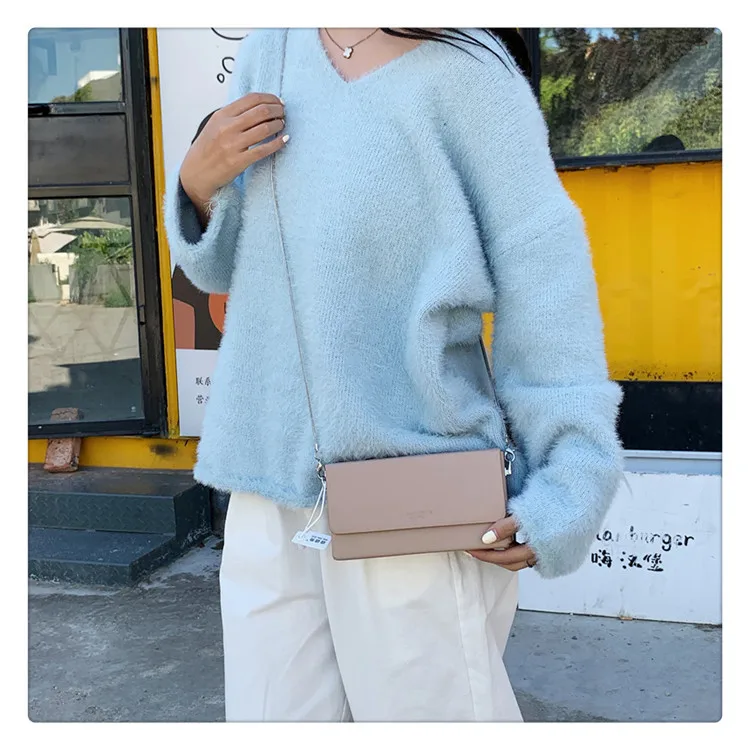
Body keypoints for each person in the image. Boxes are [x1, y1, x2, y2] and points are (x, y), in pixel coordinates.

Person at [164, 27, 623, 722]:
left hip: (417, 485)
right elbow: (230, 269)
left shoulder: (470, 70)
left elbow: (544, 277)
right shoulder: (270, 51)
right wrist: (198, 187)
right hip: (268, 480)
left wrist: (570, 479)